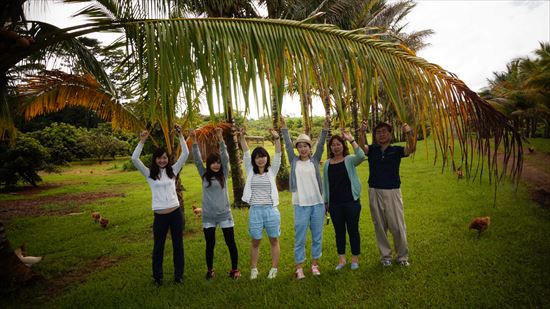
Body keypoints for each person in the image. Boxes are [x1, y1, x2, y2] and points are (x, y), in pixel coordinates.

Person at [131, 125, 189, 285]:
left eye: (164, 158)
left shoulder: (173, 171)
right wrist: (141, 142)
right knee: (158, 248)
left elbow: (185, 154)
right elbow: (134, 159)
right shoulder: (149, 173)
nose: (162, 160)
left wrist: (181, 137)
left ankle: (179, 276)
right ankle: (158, 277)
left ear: (167, 159)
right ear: (155, 159)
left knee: (178, 246)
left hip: (176, 214)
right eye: (159, 158)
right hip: (160, 216)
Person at [358, 121, 416, 267]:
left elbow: (411, 148)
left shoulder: (396, 150)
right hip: (374, 190)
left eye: (384, 131)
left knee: (397, 225)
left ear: (390, 134)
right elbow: (361, 148)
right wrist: (362, 132)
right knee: (380, 226)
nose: (381, 134)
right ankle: (386, 257)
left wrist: (408, 133)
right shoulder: (372, 150)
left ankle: (402, 257)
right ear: (376, 136)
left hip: (392, 191)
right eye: (378, 132)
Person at [281, 115, 330, 279]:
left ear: (310, 148)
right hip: (300, 205)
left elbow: (322, 144)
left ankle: (315, 265)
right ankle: (299, 267)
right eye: (300, 146)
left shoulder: (315, 160)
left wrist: (325, 128)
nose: (303, 149)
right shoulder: (294, 161)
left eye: (306, 146)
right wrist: (284, 127)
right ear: (297, 149)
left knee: (317, 236)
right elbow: (287, 145)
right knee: (300, 236)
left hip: (317, 204)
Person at [190, 127, 240, 280]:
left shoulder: (224, 174)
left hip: (225, 215)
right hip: (209, 217)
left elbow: (225, 158)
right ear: (209, 164)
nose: (216, 165)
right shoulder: (204, 176)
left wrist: (221, 140)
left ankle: (234, 270)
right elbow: (198, 160)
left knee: (230, 243)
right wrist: (194, 142)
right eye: (213, 163)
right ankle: (210, 270)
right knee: (210, 245)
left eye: (218, 163)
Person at [238, 127, 282, 280]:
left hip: (271, 210)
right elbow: (245, 152)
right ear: (254, 160)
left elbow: (278, 155)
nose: (260, 159)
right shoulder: (250, 170)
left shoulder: (272, 170)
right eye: (257, 157)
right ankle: (254, 269)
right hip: (255, 211)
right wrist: (242, 137)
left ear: (266, 158)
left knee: (274, 240)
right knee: (255, 241)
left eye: (263, 156)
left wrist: (276, 138)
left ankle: (274, 269)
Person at [322, 130, 366, 270]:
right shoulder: (327, 164)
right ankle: (342, 260)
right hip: (335, 204)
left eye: (338, 144)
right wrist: (326, 202)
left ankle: (355, 259)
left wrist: (352, 140)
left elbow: (361, 156)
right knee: (339, 232)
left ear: (343, 146)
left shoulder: (349, 159)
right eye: (333, 145)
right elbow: (326, 184)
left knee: (353, 230)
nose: (336, 147)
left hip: (351, 202)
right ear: (330, 148)